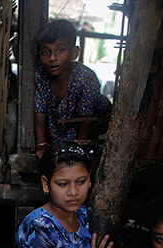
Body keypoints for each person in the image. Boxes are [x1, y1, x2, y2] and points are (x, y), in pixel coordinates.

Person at [34, 19, 111, 158]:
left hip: (93, 128)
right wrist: (41, 146)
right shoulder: (42, 75)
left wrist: (77, 151)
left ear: (74, 53)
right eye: (46, 52)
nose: (52, 58)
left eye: (60, 50)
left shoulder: (84, 79)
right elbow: (40, 111)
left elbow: (85, 119)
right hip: (63, 130)